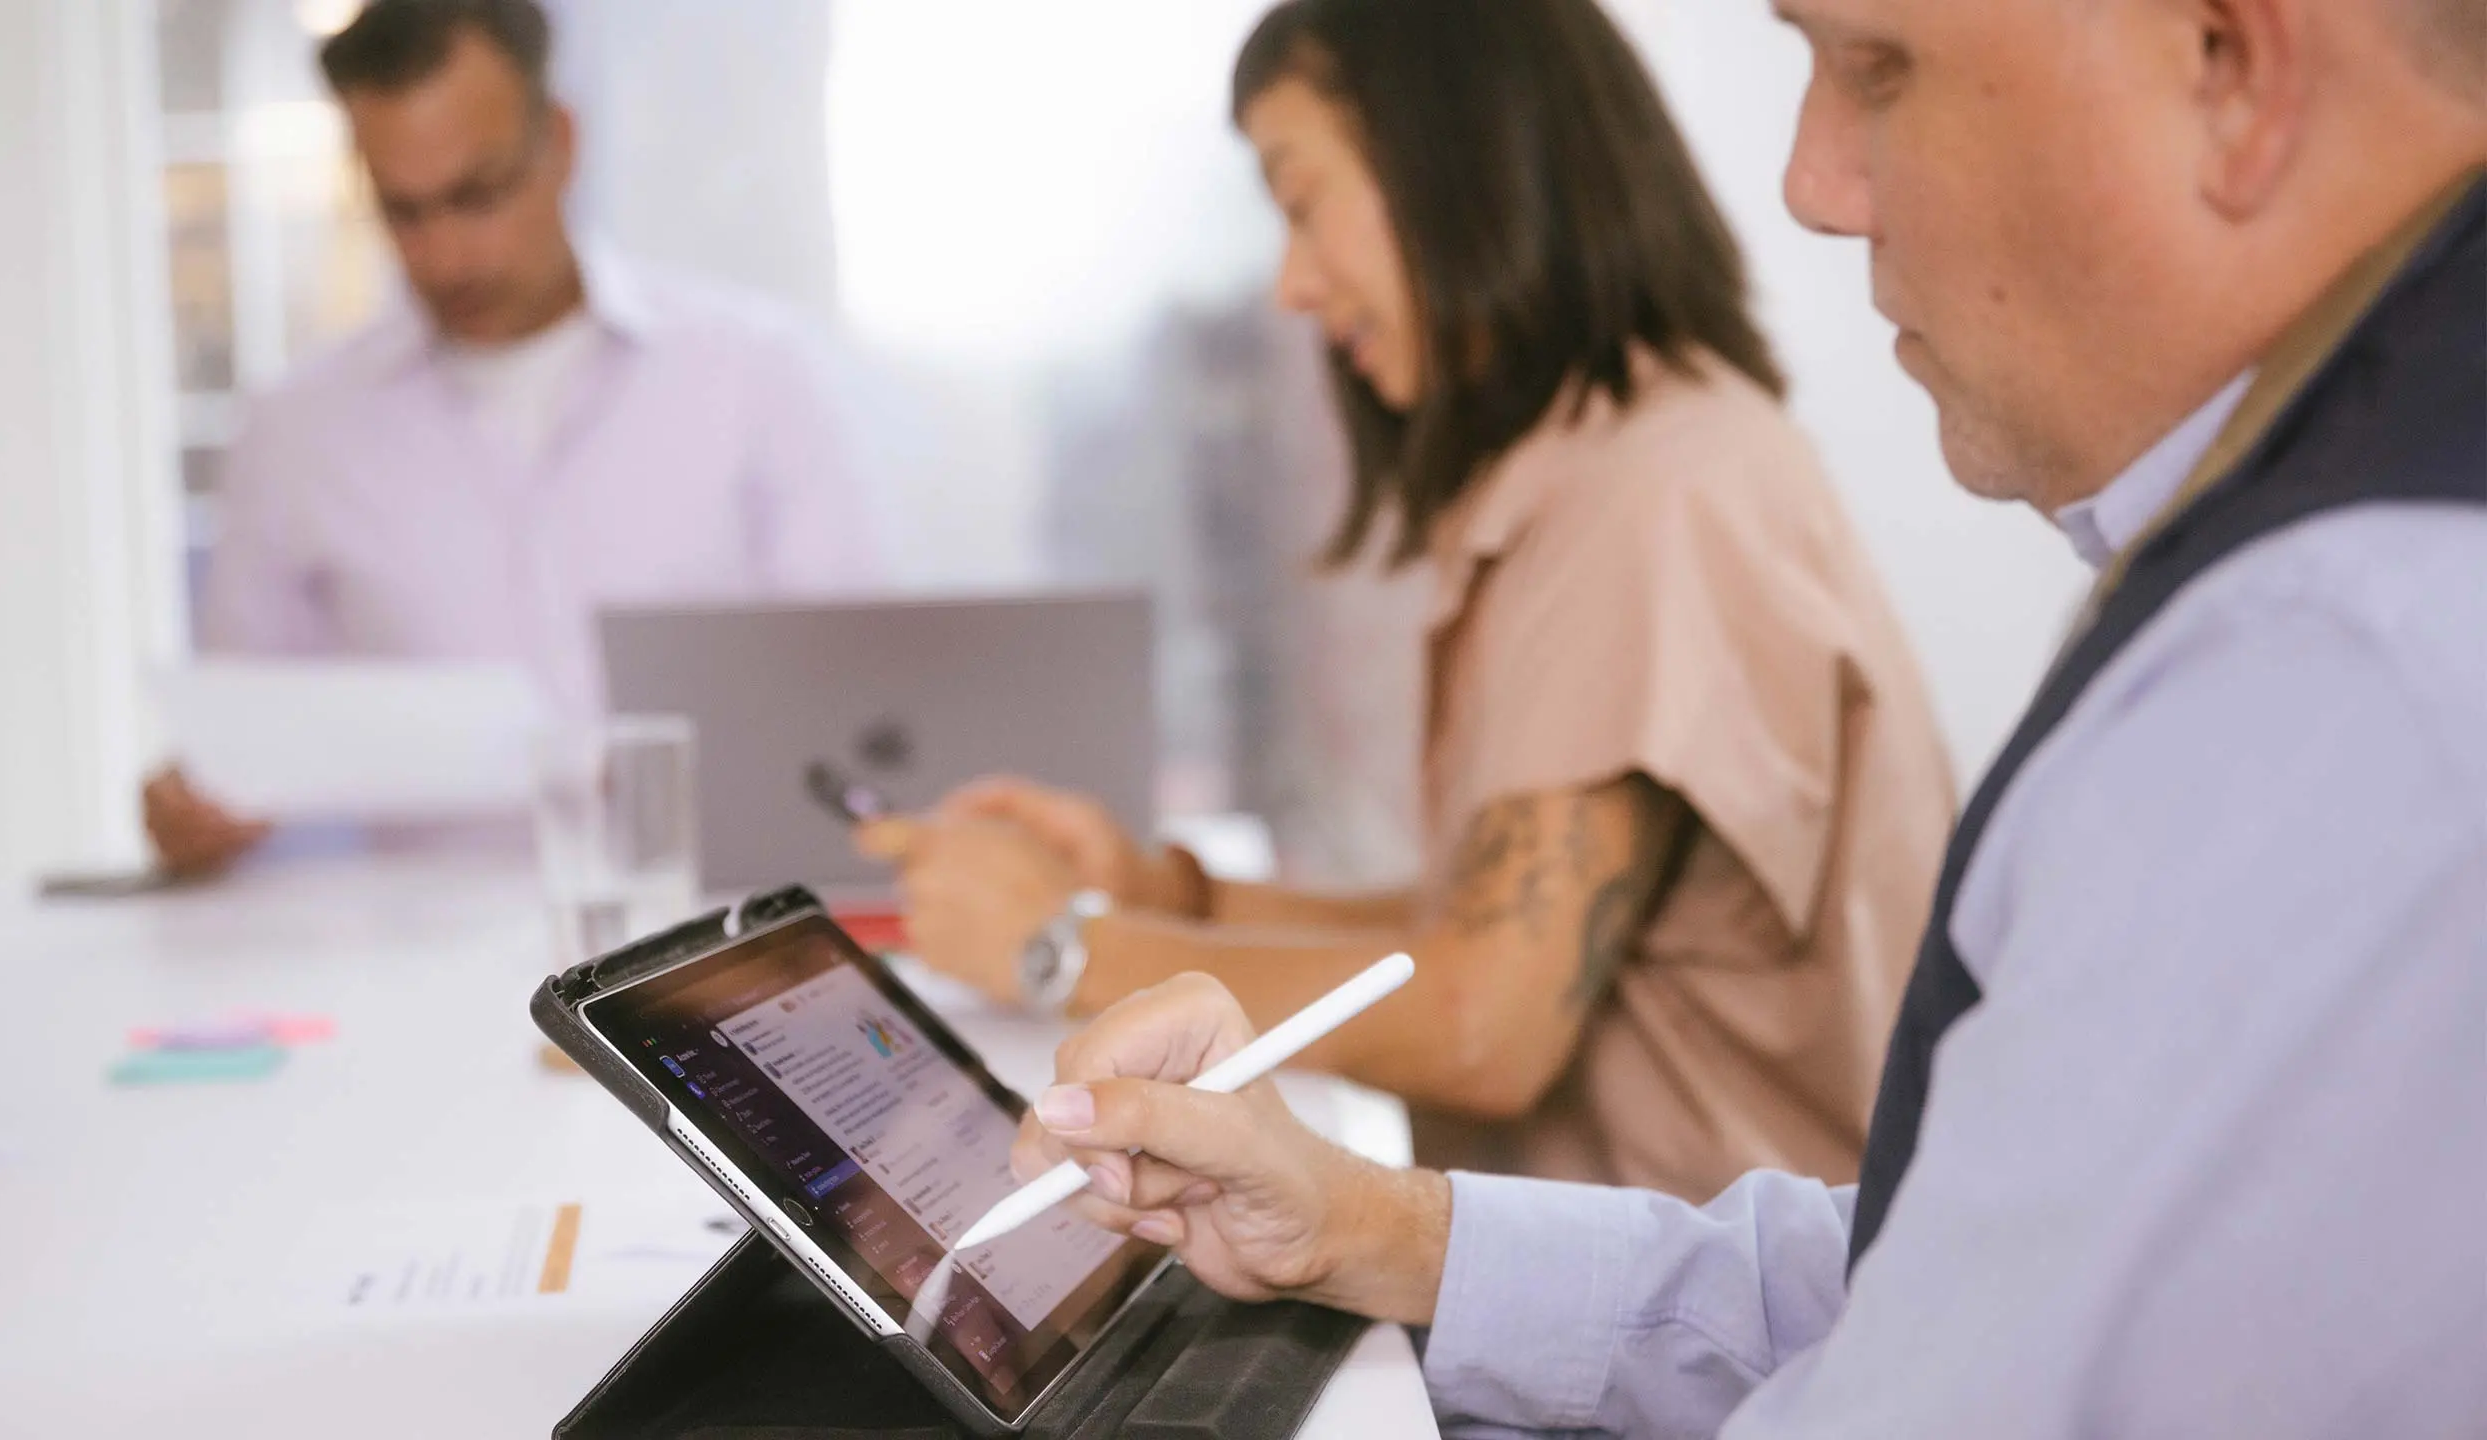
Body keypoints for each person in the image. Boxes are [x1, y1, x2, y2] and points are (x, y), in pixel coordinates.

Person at [1004, 0, 2487, 1434]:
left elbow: (1491, 1008)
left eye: (1878, 66)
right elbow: (1905, 1289)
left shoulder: (2337, 667)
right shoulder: (2293, 570)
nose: (1811, 185)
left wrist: (1059, 944)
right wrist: (1355, 1219)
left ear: (2228, 63)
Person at [862, 0, 1956, 1203]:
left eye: (1302, 200)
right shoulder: (1612, 463)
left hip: (1711, 1357)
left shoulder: (1658, 492)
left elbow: (1485, 1019)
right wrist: (1164, 893)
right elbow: (1481, 919)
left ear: (1457, 164)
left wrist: (1059, 949)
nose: (1290, 284)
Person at [144, 0, 880, 876]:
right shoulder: (296, 430)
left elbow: (854, 704)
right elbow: (248, 746)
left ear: (561, 142)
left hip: (713, 924)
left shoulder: (755, 377)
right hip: (406, 961)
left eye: (478, 195)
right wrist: (199, 813)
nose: (447, 255)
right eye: (404, 212)